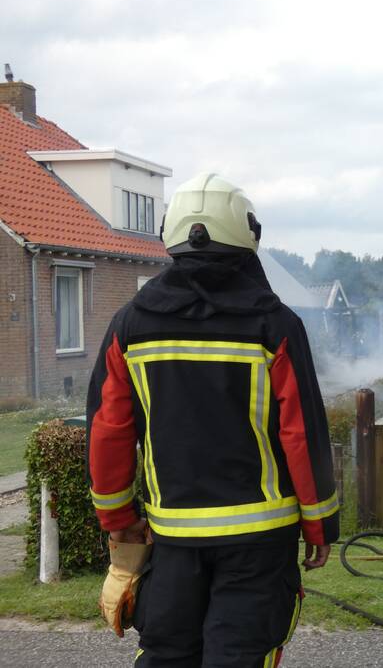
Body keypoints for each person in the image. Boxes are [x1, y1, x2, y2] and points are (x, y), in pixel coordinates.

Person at [87, 172, 339, 667]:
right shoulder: (276, 325)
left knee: (167, 655)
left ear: (170, 235)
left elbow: (109, 430)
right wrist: (319, 523)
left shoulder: (130, 326)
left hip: (173, 540)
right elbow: (302, 434)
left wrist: (118, 521)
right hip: (259, 542)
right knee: (240, 656)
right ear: (248, 237)